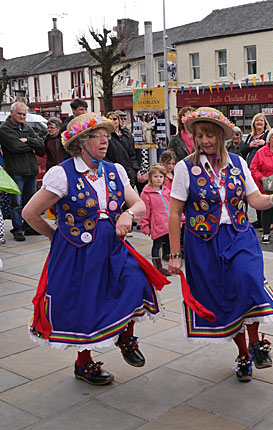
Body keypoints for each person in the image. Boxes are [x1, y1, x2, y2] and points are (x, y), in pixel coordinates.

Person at [21, 112, 163, 386]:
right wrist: (57, 237)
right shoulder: (62, 174)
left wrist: (127, 214)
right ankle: (83, 363)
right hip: (78, 250)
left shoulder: (114, 171)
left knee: (135, 280)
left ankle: (126, 336)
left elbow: (138, 204)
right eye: (96, 136)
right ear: (79, 142)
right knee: (84, 303)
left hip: (111, 243)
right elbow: (30, 213)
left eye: (106, 136)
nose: (104, 141)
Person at [168, 107, 273, 382]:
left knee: (248, 280)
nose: (204, 141)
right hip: (203, 242)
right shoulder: (184, 167)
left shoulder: (237, 163)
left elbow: (255, 200)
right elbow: (176, 212)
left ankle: (256, 342)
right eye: (199, 135)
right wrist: (176, 254)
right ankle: (242, 353)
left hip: (239, 235)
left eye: (209, 135)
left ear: (222, 136)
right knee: (226, 298)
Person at [0, 102, 44, 241]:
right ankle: (17, 229)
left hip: (31, 170)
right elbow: (14, 147)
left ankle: (29, 227)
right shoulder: (4, 129)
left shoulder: (27, 128)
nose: (22, 116)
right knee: (16, 204)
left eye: (24, 114)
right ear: (11, 113)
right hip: (16, 171)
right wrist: (31, 145)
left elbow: (41, 144)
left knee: (30, 202)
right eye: (19, 113)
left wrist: (27, 140)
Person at [140, 164, 172, 276]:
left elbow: (172, 206)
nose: (158, 179)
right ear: (150, 178)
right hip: (158, 225)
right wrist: (144, 225)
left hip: (169, 224)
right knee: (157, 245)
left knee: (170, 244)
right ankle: (157, 266)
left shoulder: (166, 191)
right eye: (155, 176)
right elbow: (144, 211)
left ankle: (169, 265)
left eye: (160, 176)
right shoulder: (146, 194)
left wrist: (181, 218)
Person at [240, 112, 271, 229]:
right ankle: (259, 220)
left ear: (265, 123)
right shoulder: (249, 136)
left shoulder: (268, 135)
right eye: (257, 120)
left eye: (261, 120)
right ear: (253, 123)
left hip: (263, 170)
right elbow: (243, 151)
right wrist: (250, 145)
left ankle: (267, 222)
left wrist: (265, 144)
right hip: (250, 170)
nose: (259, 122)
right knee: (253, 194)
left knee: (263, 195)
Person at [105, 111, 138, 187]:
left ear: (119, 120)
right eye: (109, 119)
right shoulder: (106, 136)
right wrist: (113, 168)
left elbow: (132, 155)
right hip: (114, 173)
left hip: (129, 173)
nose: (112, 121)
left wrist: (134, 171)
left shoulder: (126, 135)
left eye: (114, 119)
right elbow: (104, 156)